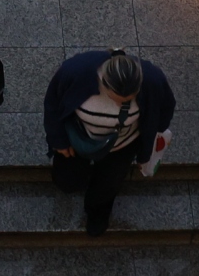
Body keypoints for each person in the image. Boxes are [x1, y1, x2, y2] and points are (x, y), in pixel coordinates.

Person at [43, 48, 175, 236]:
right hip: (79, 138)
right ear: (104, 84)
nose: (121, 105)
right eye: (117, 99)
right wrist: (59, 140)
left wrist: (146, 150)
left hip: (123, 145)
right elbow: (53, 105)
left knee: (108, 185)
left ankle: (97, 213)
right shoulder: (75, 72)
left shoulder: (152, 80)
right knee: (67, 181)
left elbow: (163, 110)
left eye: (129, 100)